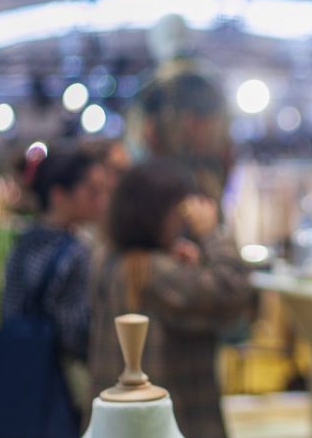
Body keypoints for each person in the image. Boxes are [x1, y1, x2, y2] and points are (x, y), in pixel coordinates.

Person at [88, 159, 253, 438]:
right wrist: (211, 234)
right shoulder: (155, 271)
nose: (182, 221)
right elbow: (234, 289)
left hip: (120, 421)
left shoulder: (106, 260)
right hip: (168, 421)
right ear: (157, 214)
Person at [0, 148, 106, 426]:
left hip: (17, 372)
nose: (99, 200)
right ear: (59, 194)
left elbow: (8, 309)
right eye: (91, 191)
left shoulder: (23, 242)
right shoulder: (76, 252)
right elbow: (76, 332)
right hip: (57, 385)